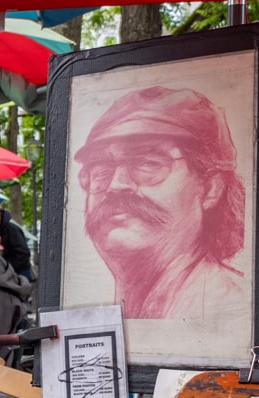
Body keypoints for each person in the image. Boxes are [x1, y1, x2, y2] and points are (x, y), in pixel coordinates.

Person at [74, 85, 245, 319]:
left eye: (148, 163)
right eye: (101, 170)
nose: (116, 185)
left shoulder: (233, 311)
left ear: (209, 189)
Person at [0, 205, 31, 279]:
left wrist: (7, 267)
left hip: (19, 272)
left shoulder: (13, 230)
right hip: (1, 271)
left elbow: (24, 254)